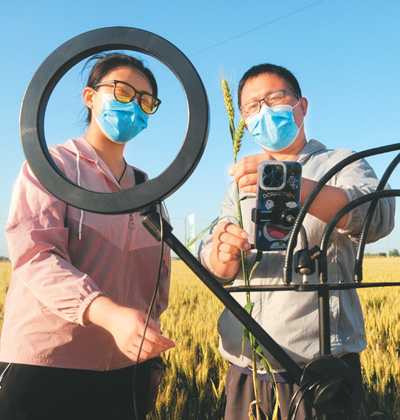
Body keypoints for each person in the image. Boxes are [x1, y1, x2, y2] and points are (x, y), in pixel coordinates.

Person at [199, 63, 395, 419]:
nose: (263, 111)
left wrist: (289, 182)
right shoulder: (240, 185)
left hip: (319, 370)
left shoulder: (339, 163)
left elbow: (377, 215)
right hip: (246, 365)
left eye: (274, 99)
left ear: (301, 106)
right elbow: (215, 256)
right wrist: (221, 256)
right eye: (252, 107)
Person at [0, 53, 175, 420]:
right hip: (47, 364)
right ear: (90, 97)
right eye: (123, 92)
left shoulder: (148, 190)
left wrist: (151, 362)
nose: (134, 105)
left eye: (146, 101)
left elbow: (157, 284)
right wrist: (109, 315)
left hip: (126, 371)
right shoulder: (52, 166)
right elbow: (36, 255)